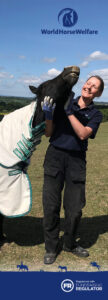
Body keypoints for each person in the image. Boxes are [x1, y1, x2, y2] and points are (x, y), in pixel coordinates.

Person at [42, 75, 104, 264]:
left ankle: (69, 243)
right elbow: (48, 133)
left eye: (94, 87)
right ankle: (51, 248)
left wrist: (69, 113)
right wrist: (49, 116)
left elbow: (83, 134)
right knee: (51, 206)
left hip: (76, 161)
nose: (89, 87)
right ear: (83, 84)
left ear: (98, 93)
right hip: (55, 156)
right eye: (88, 83)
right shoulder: (65, 103)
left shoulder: (96, 114)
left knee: (75, 209)